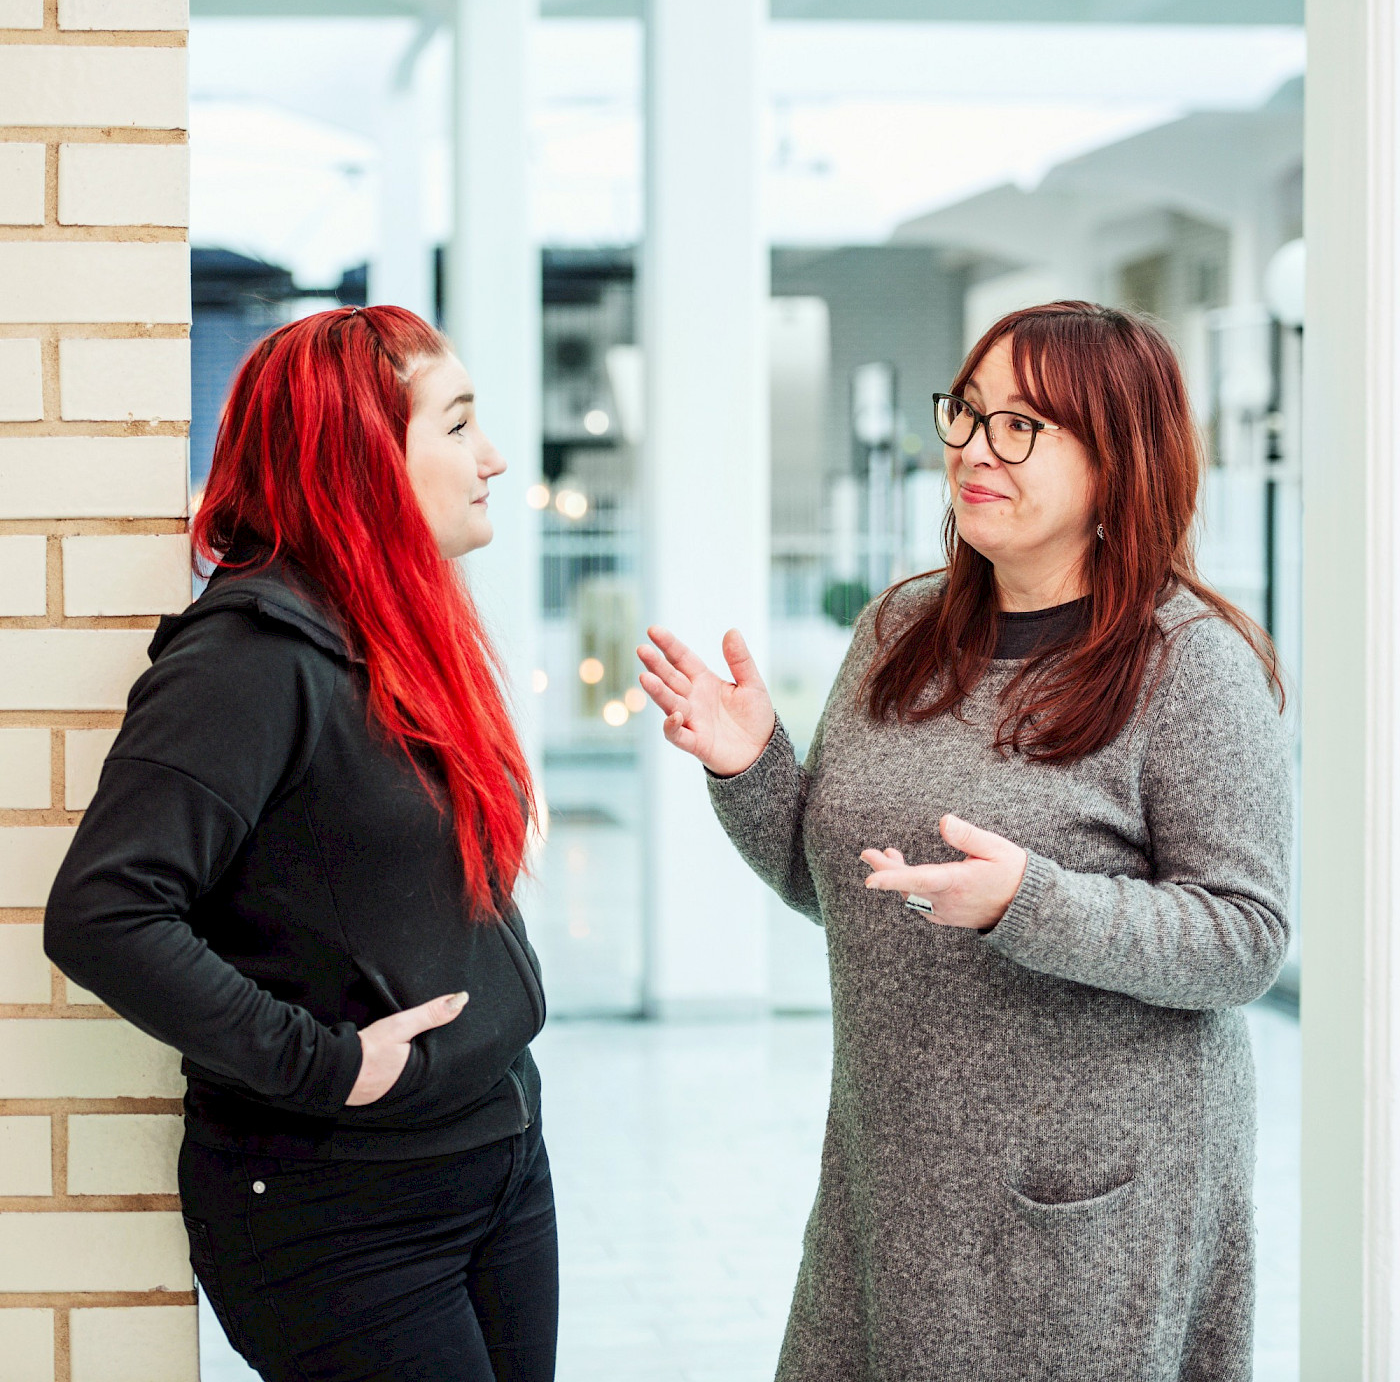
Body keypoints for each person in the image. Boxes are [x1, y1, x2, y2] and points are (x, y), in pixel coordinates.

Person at [638, 301, 1291, 1382]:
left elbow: (1244, 937)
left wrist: (1028, 901)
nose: (974, 448)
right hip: (890, 1178)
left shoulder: (1192, 664)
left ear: (1119, 460)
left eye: (1020, 426)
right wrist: (750, 764)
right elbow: (842, 883)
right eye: (968, 412)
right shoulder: (898, 629)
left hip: (1088, 1208)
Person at [44, 306, 556, 1382]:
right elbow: (105, 911)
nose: (493, 458)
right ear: (360, 457)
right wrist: (327, 1065)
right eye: (458, 424)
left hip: (496, 1159)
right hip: (345, 1210)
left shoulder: (393, 634)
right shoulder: (247, 656)